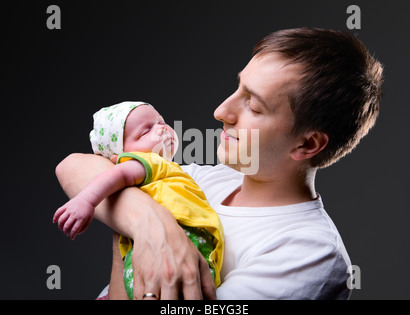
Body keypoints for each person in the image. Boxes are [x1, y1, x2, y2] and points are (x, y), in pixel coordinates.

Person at [55, 28, 384, 300]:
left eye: (254, 106)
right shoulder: (203, 179)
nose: (221, 111)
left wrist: (124, 222)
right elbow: (73, 166)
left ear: (307, 144)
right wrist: (150, 226)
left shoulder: (308, 254)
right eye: (237, 87)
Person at [53, 101, 224, 300]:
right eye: (145, 132)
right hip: (178, 246)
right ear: (120, 156)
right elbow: (118, 175)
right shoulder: (149, 163)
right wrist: (87, 200)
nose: (161, 129)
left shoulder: (169, 171)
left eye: (161, 121)